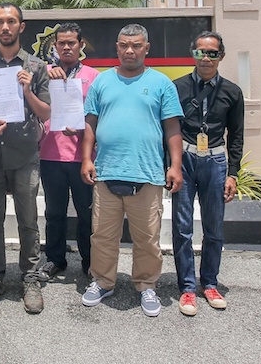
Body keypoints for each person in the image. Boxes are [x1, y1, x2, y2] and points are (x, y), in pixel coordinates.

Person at [80, 23, 183, 317]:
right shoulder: (101, 82)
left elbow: (172, 127)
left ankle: (146, 284)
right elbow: (90, 124)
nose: (129, 50)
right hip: (106, 172)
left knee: (148, 238)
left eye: (136, 45)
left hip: (147, 174)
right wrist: (87, 159)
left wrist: (175, 166)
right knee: (102, 235)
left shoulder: (162, 83)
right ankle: (102, 281)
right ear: (116, 47)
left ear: (146, 48)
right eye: (124, 45)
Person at [0, 3, 51, 314]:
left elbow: (46, 112)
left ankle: (29, 279)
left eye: (11, 21)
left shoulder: (36, 66)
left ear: (21, 26)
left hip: (24, 153)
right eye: (0, 22)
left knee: (28, 221)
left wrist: (28, 91)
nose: (6, 27)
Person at [172, 31, 244, 316]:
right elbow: (170, 129)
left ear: (221, 56)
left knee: (214, 229)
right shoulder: (176, 88)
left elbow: (236, 136)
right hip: (186, 161)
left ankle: (209, 282)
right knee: (182, 227)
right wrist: (172, 165)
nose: (206, 58)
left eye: (212, 53)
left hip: (215, 162)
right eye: (201, 52)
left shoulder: (231, 92)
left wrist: (233, 173)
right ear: (193, 54)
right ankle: (187, 288)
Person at [38, 23, 100, 280]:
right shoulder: (44, 74)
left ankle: (89, 260)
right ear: (54, 46)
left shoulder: (94, 77)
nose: (66, 47)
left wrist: (84, 132)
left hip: (82, 158)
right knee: (54, 211)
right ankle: (55, 259)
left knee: (86, 212)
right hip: (50, 154)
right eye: (61, 43)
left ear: (81, 45)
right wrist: (47, 74)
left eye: (71, 42)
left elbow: (98, 116)